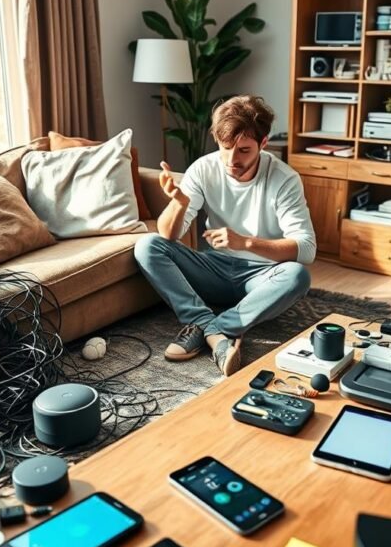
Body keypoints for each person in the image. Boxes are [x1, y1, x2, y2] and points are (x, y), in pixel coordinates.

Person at [134, 95, 316, 377]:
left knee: (297, 276)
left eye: (244, 150)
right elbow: (167, 235)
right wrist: (180, 203)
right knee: (147, 245)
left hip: (262, 276)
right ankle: (214, 331)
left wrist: (244, 242)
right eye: (226, 147)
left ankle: (211, 329)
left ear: (263, 143)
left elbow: (306, 248)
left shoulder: (284, 178)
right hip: (214, 270)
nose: (232, 159)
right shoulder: (203, 169)